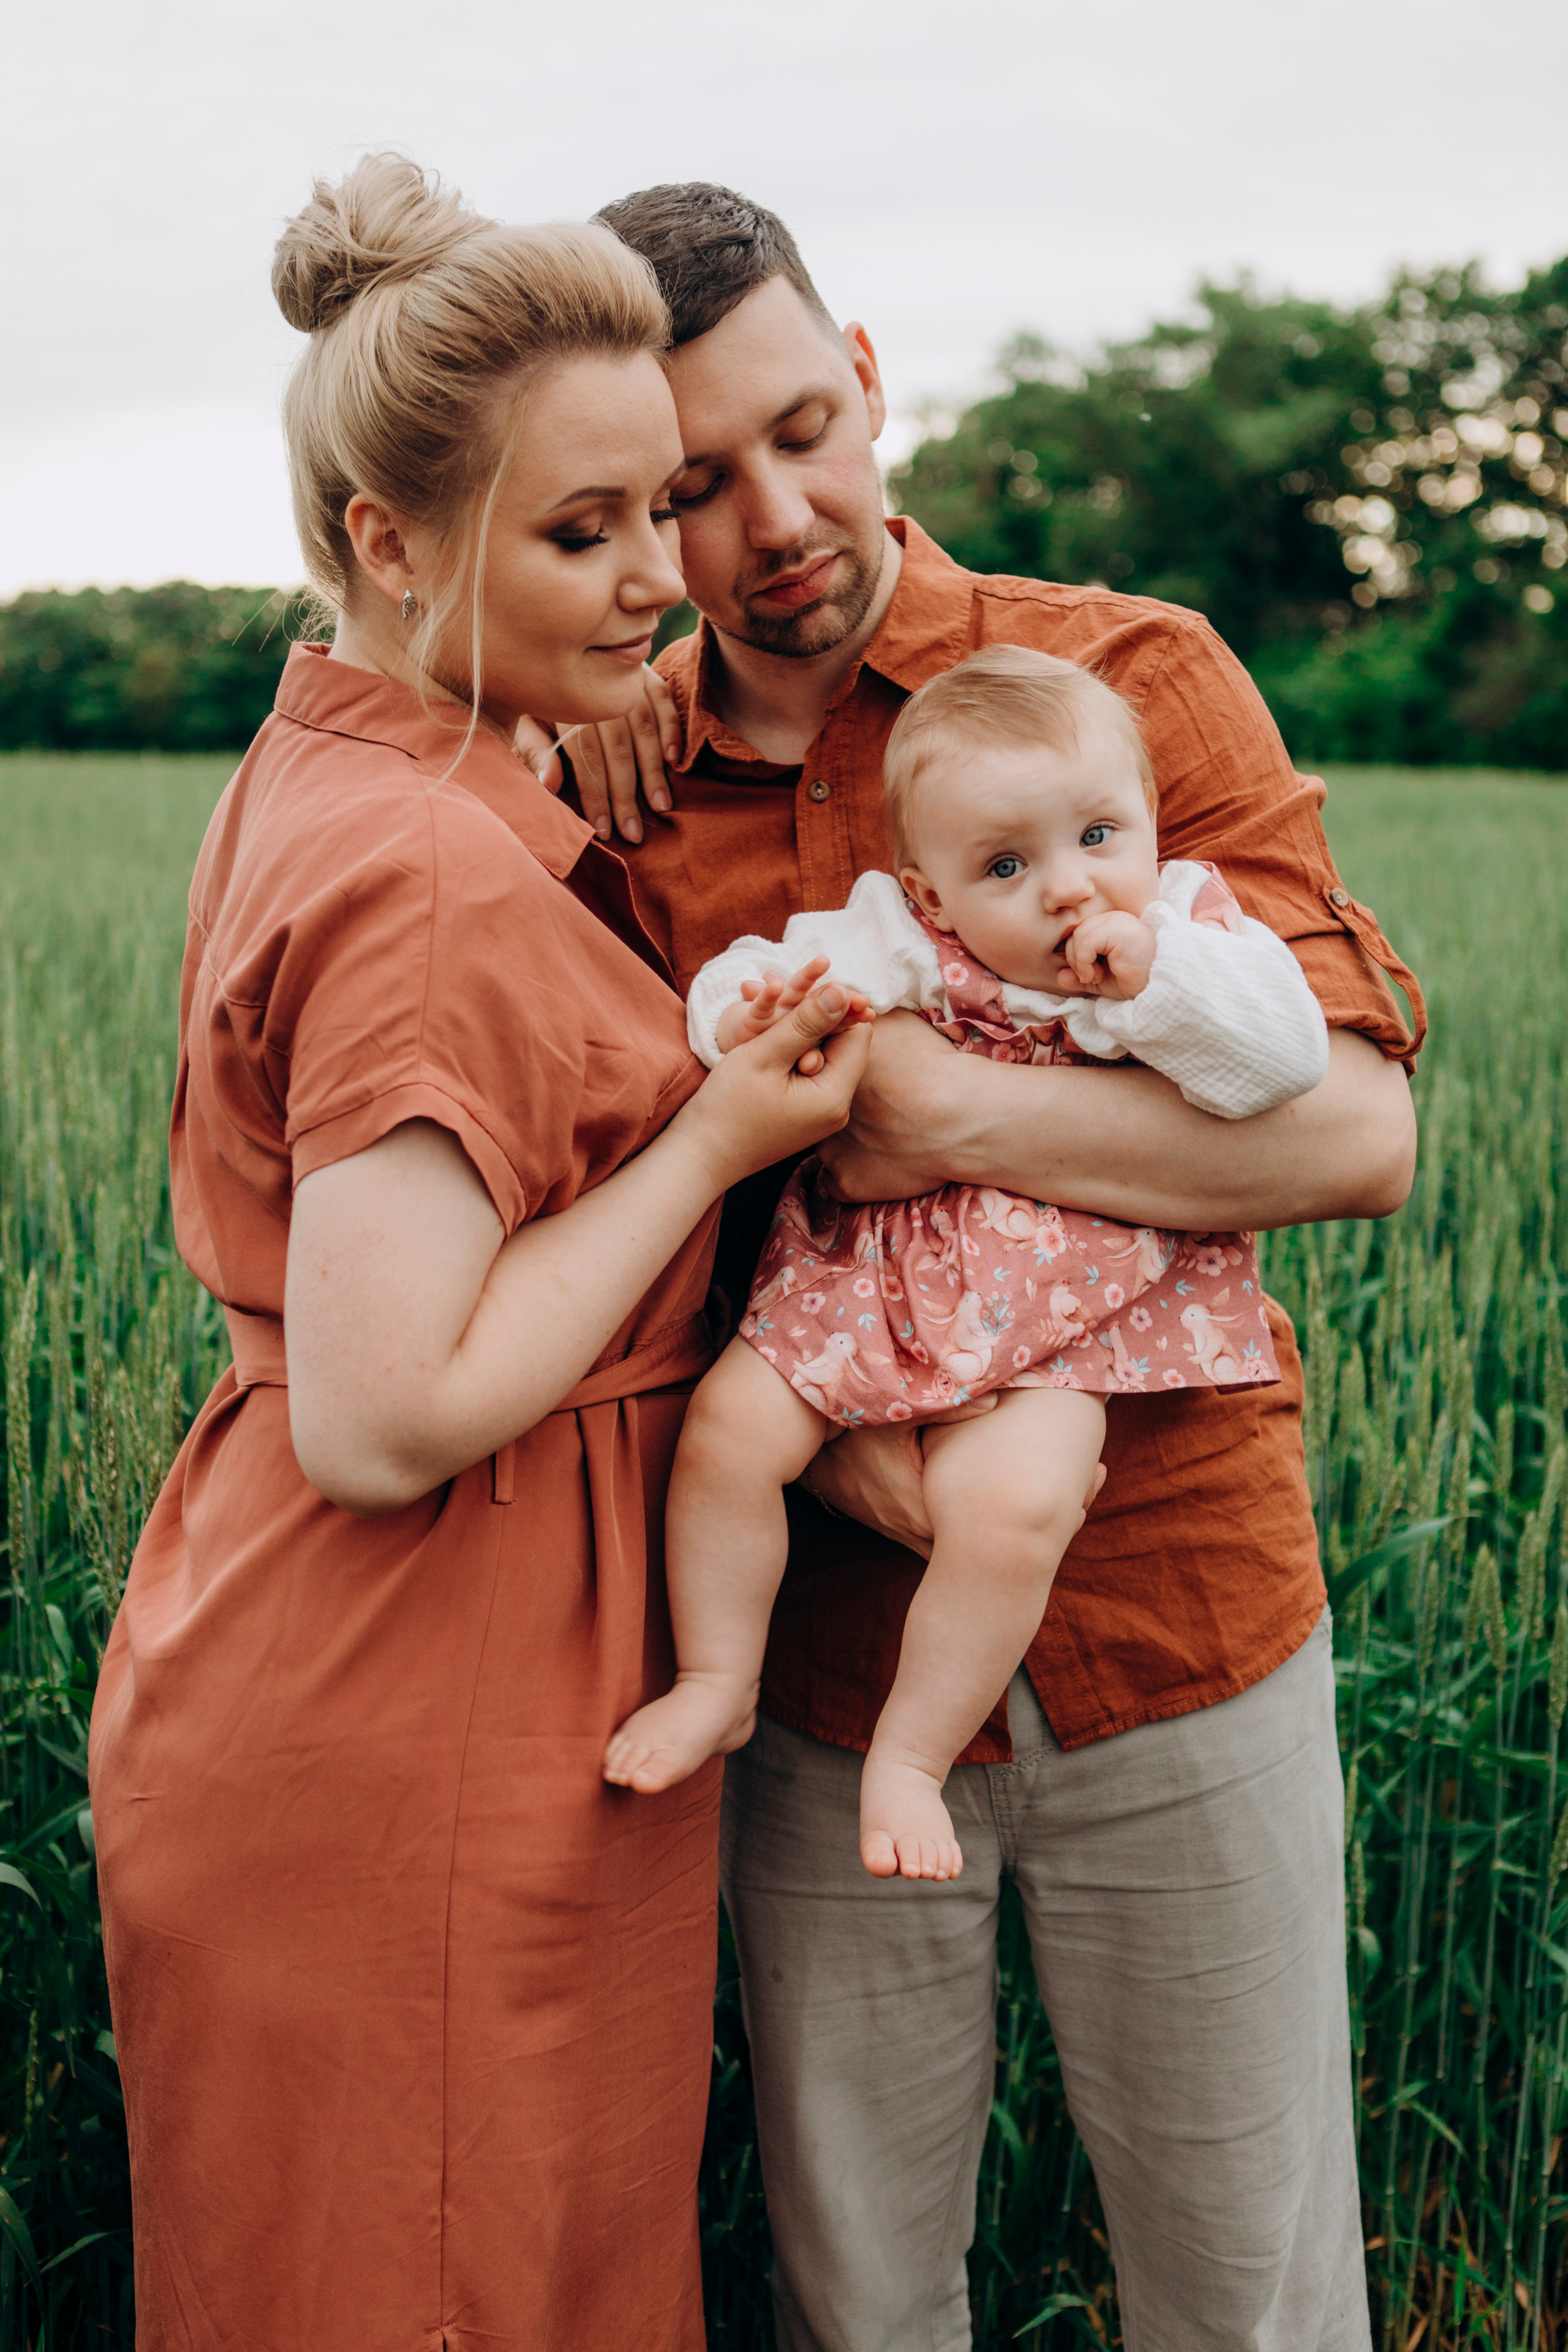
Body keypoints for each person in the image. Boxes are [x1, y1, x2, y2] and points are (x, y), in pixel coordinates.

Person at [520, 184, 1426, 2350]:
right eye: (690, 488)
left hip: (1177, 1621)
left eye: (806, 429)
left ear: (874, 378)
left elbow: (1361, 1131)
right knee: (862, 2300)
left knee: (1250, 2295)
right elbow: (620, 1261)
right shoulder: (606, 792)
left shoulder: (1129, 686)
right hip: (822, 1692)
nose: (776, 522)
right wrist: (853, 1474)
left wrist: (945, 1117)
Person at [86, 156, 869, 2352]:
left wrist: (531, 702)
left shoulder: (355, 751)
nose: (661, 582)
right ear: (387, 540)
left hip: (428, 1662)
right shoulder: (430, 864)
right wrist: (718, 1134)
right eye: (583, 529)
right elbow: (386, 1411)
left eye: (661, 509)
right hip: (422, 1664)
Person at [606, 646, 1333, 1885]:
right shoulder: (897, 938)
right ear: (929, 894)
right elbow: (751, 968)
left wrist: (1158, 989)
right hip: (871, 1282)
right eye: (1005, 865)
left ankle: (909, 1753)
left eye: (1099, 834)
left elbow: (1285, 1061)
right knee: (726, 1435)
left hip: (1065, 1323)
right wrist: (743, 1008)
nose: (1065, 890)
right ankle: (719, 1679)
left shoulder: (1191, 931)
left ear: (1150, 823)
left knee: (1016, 1510)